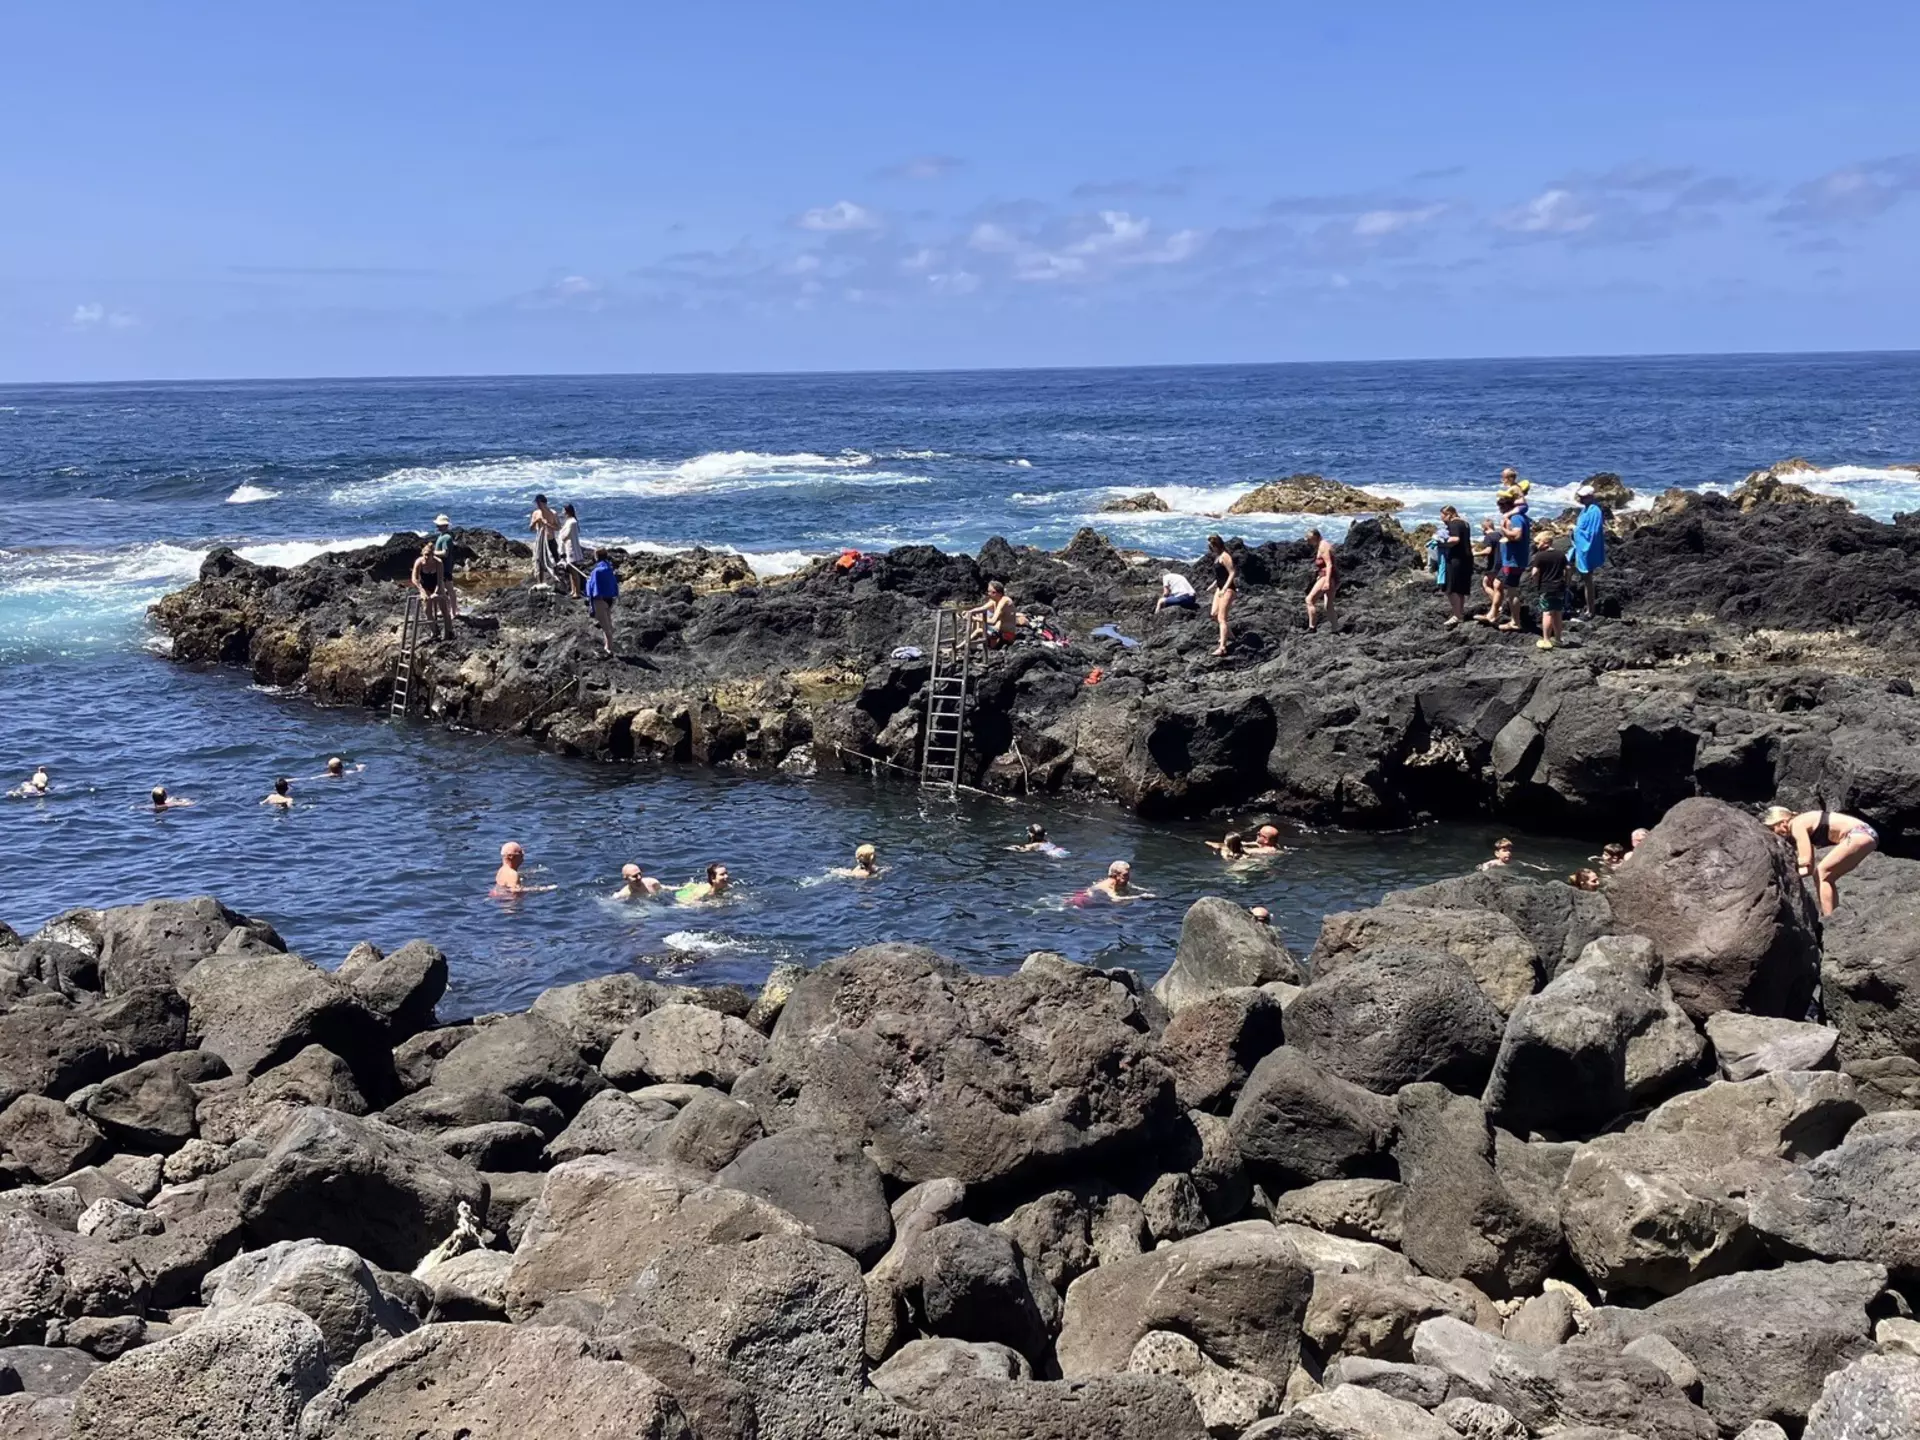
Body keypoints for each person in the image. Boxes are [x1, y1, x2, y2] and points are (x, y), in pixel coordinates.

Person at [1763, 804, 1878, 916]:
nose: (1774, 833)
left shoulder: (1797, 824)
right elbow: (1808, 869)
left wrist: (1784, 876)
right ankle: (1833, 914)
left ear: (1782, 822)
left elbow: (1805, 860)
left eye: (1773, 828)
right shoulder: (1804, 822)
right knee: (1825, 875)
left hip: (1858, 834)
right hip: (1866, 834)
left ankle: (1829, 917)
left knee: (1822, 873)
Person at [1571, 484, 1606, 619]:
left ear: (1591, 497)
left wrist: (1575, 530)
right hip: (1579, 547)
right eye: (1580, 496)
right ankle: (1575, 604)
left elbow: (1593, 533)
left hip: (1587, 548)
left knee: (1587, 579)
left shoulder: (1594, 511)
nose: (1580, 499)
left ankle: (1590, 611)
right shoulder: (1586, 509)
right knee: (1569, 569)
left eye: (1583, 497)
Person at [1526, 542, 1569, 650]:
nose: (1536, 545)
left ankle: (1546, 639)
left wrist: (1536, 583)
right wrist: (1567, 582)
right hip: (1559, 587)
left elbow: (1535, 572)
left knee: (1547, 613)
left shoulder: (1540, 556)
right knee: (1557, 613)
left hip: (1546, 587)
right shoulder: (1560, 554)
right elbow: (1568, 569)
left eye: (1538, 542)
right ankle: (1558, 639)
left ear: (1545, 542)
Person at [1439, 505, 1474, 627]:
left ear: (1449, 514)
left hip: (1456, 559)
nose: (1441, 519)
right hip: (1467, 558)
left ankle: (1457, 615)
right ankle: (1460, 614)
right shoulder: (1465, 524)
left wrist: (1440, 542)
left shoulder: (1454, 523)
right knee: (1460, 589)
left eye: (1442, 516)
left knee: (1451, 588)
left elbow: (1455, 539)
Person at [1206, 535, 1237, 656]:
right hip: (1219, 589)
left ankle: (1222, 647)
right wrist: (1213, 585)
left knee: (1221, 618)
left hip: (1228, 589)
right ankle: (1230, 635)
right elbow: (1220, 574)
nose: (1209, 548)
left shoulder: (1225, 556)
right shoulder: (1217, 557)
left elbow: (1232, 572)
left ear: (1216, 545)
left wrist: (1225, 588)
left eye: (1211, 545)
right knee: (1214, 614)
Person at [411, 543, 450, 639]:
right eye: (425, 554)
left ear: (433, 555)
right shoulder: (419, 562)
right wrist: (422, 591)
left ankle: (449, 631)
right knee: (427, 610)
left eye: (429, 555)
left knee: (444, 608)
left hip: (437, 585)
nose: (426, 557)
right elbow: (414, 578)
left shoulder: (438, 562)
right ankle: (434, 631)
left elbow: (440, 580)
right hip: (425, 586)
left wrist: (436, 593)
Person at [585, 548, 619, 656]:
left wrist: (588, 581)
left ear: (596, 557)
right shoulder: (609, 568)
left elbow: (591, 589)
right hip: (609, 599)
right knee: (607, 622)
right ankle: (607, 646)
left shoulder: (596, 571)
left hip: (599, 600)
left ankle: (609, 650)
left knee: (605, 627)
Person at [967, 581, 1017, 649]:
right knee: (978, 614)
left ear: (999, 593)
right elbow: (981, 608)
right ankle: (972, 644)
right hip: (998, 631)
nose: (989, 594)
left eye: (992, 592)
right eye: (989, 591)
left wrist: (975, 619)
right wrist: (969, 612)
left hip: (1007, 635)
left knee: (979, 630)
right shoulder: (994, 601)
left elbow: (993, 621)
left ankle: (961, 646)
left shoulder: (1004, 601)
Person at [1305, 529, 1337, 632]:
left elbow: (1329, 564)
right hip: (1332, 576)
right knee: (1328, 605)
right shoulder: (1324, 544)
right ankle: (1335, 629)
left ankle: (1312, 628)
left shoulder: (1323, 546)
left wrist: (1327, 581)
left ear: (1315, 537)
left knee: (1309, 600)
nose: (1308, 542)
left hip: (1327, 576)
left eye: (1309, 540)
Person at [528, 494, 560, 588]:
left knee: (554, 560)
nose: (537, 505)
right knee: (539, 561)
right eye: (537, 503)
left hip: (550, 540)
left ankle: (556, 581)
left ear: (543, 503)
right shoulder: (536, 513)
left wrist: (548, 524)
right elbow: (531, 528)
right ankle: (540, 583)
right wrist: (536, 521)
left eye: (539, 503)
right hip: (540, 541)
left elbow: (558, 527)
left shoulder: (553, 513)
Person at [431, 514, 458, 625]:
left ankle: (454, 612)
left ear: (445, 526)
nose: (438, 526)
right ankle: (446, 610)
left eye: (440, 525)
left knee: (449, 589)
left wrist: (433, 553)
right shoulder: (442, 536)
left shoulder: (446, 538)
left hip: (445, 568)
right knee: (442, 590)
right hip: (440, 567)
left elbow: (445, 553)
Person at [557, 503, 586, 597]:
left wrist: (560, 534)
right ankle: (573, 590)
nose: (562, 513)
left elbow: (565, 535)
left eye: (563, 511)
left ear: (567, 511)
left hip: (571, 549)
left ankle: (577, 592)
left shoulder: (572, 522)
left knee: (574, 571)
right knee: (570, 571)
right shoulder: (569, 521)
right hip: (568, 548)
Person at [1087, 860, 1152, 901]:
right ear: (1115, 875)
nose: (1128, 877)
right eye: (1125, 875)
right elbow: (1115, 898)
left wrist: (1146, 891)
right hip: (1084, 902)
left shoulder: (1122, 881)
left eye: (1128, 874)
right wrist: (1139, 896)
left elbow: (1131, 885)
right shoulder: (1109, 886)